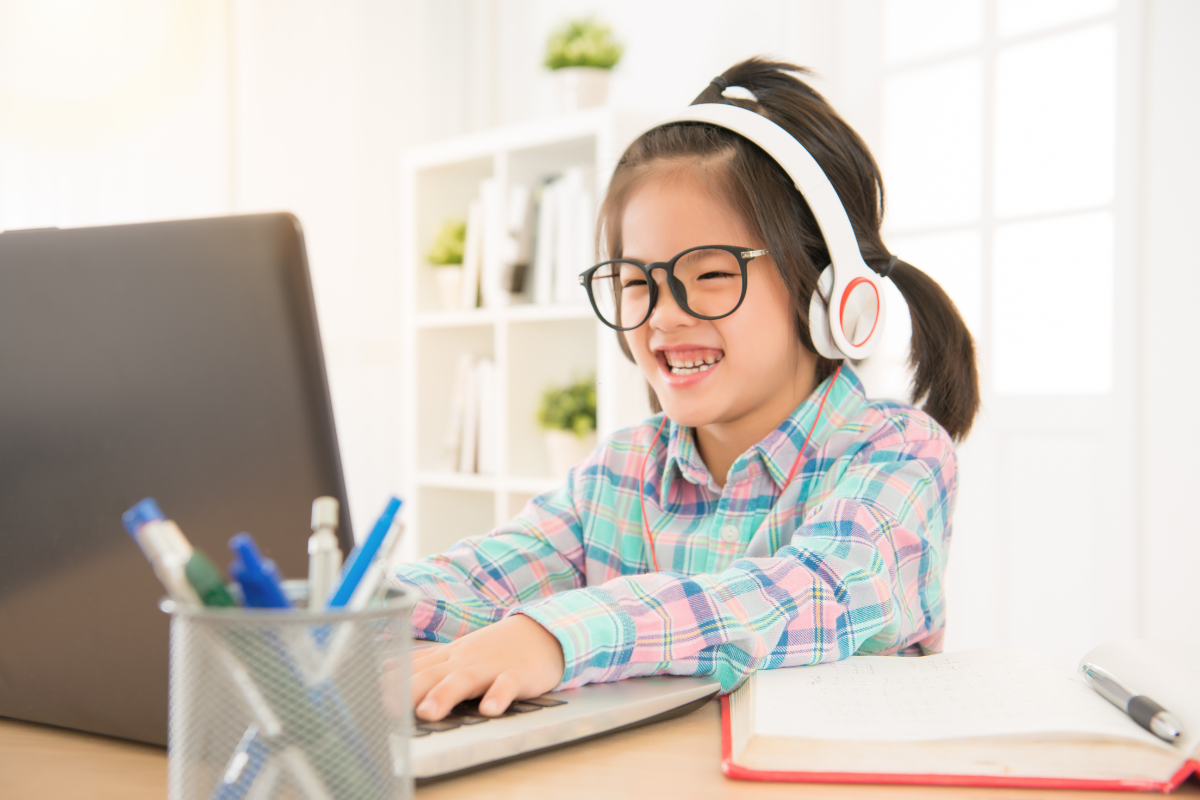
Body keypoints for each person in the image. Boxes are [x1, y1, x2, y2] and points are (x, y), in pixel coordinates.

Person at [394, 57, 979, 722]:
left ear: (825, 290)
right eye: (637, 283)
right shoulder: (622, 474)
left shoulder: (897, 453)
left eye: (709, 276)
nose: (663, 315)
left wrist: (556, 637)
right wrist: (334, 612)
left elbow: (809, 593)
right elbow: (480, 580)